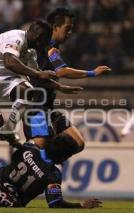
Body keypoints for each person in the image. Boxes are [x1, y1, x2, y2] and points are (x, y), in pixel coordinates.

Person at [23, 8, 111, 154]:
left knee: (77, 143)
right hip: (35, 108)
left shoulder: (51, 47)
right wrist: (92, 72)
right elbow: (61, 71)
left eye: (71, 29)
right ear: (55, 27)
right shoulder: (48, 47)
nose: (70, 33)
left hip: (48, 108)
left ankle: (46, 165)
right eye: (67, 28)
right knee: (36, 152)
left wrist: (59, 87)